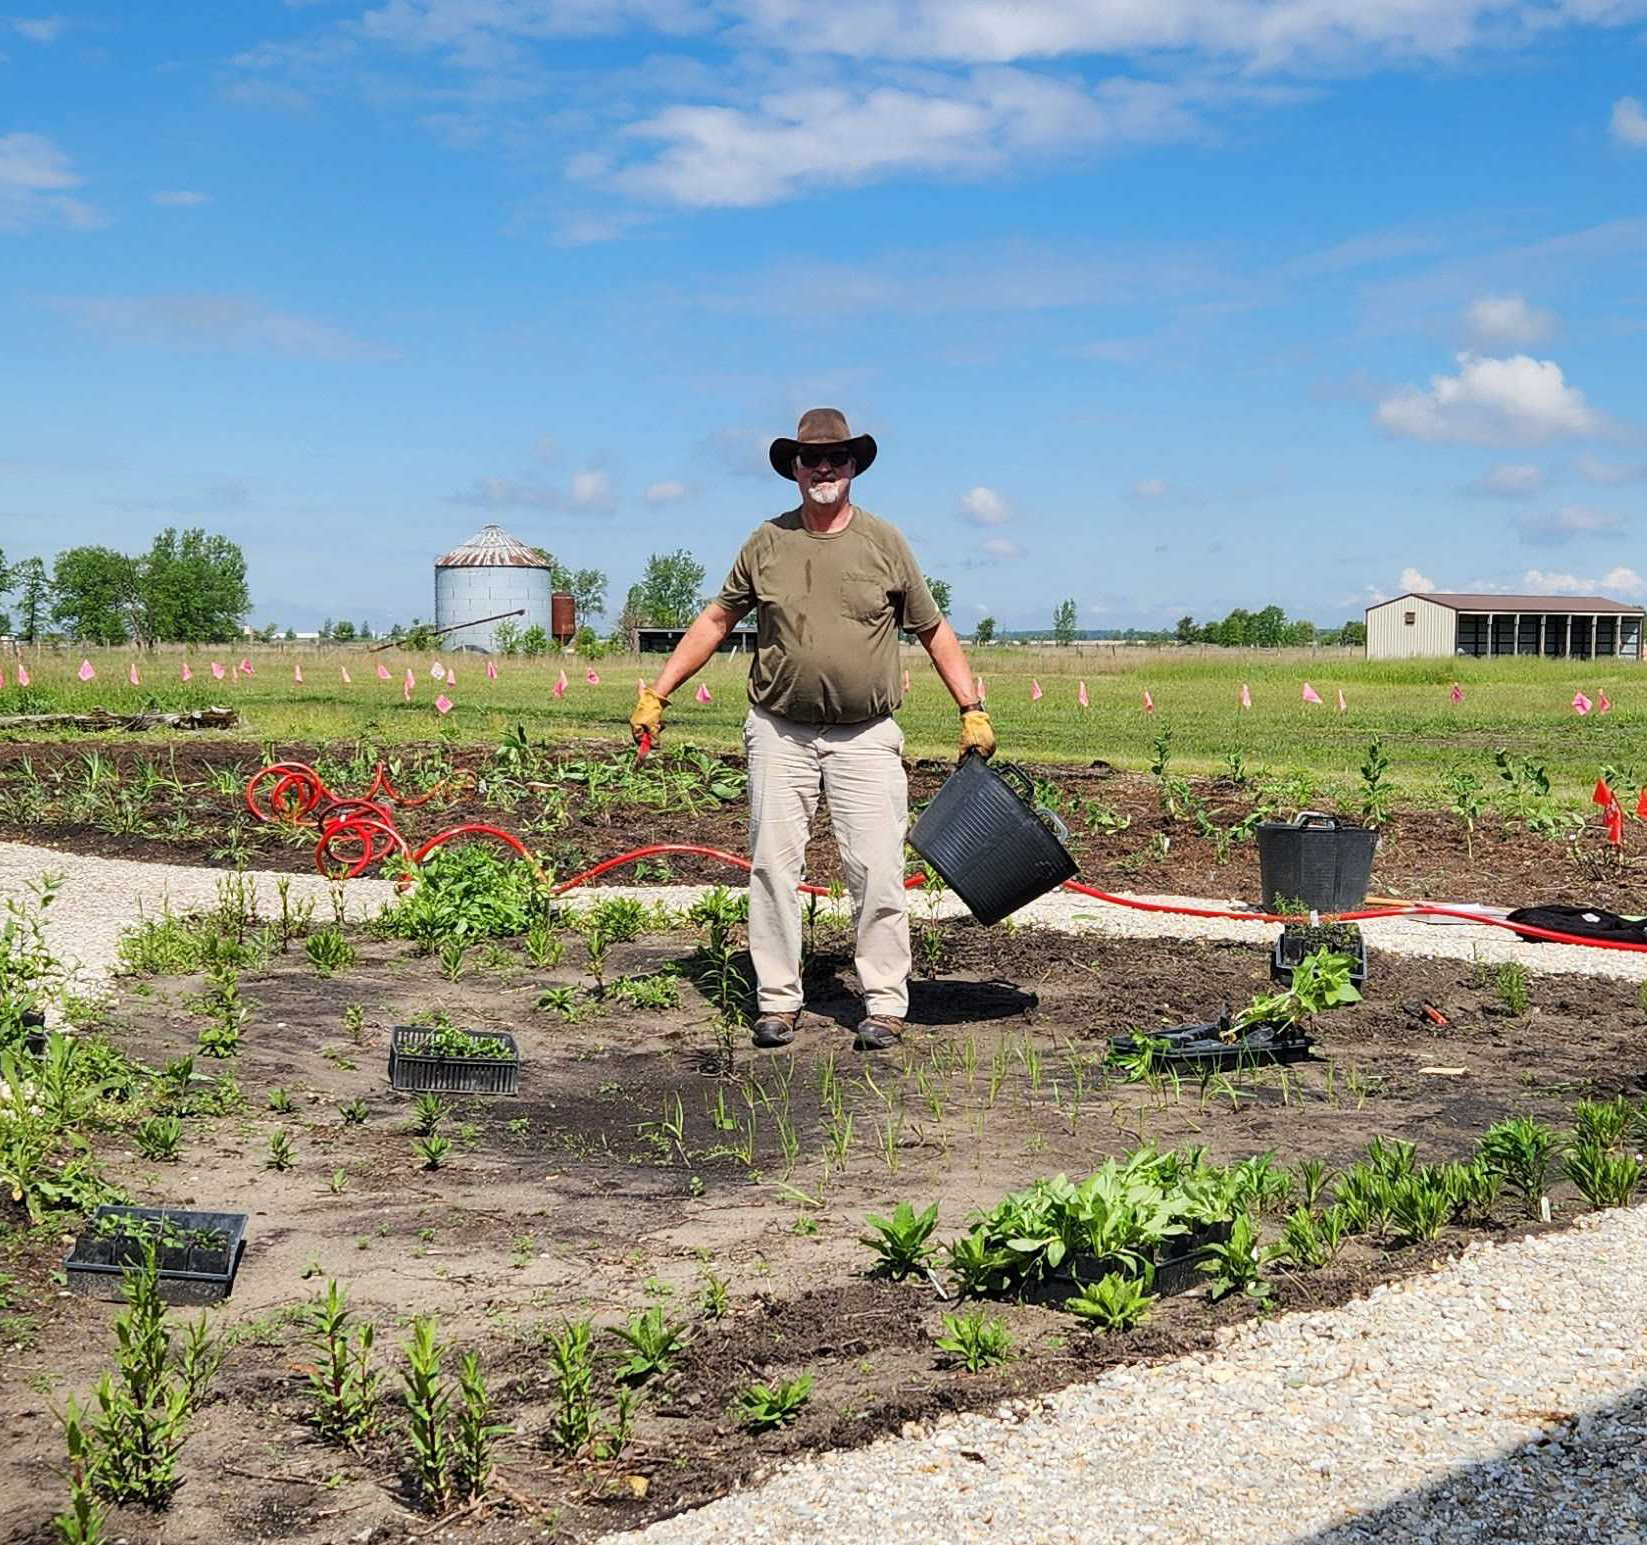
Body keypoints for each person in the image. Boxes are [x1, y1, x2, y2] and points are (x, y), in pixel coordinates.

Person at [629, 408, 995, 1053]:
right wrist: (659, 693)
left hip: (866, 734)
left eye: (837, 458)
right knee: (773, 867)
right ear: (793, 470)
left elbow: (932, 629)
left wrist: (971, 708)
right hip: (781, 731)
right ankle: (777, 1000)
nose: (823, 468)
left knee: (877, 869)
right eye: (810, 459)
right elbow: (716, 622)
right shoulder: (766, 543)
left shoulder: (885, 544)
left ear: (854, 466)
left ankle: (883, 1003)